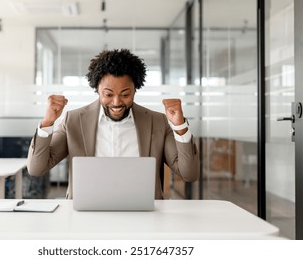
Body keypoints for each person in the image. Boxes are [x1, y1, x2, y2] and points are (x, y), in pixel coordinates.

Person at [27, 48, 199, 199]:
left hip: (144, 215)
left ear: (135, 90)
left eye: (125, 94)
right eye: (108, 95)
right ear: (97, 90)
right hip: (86, 214)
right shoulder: (73, 120)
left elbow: (189, 174)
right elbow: (36, 169)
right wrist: (48, 122)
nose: (117, 102)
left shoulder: (157, 122)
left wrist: (180, 127)